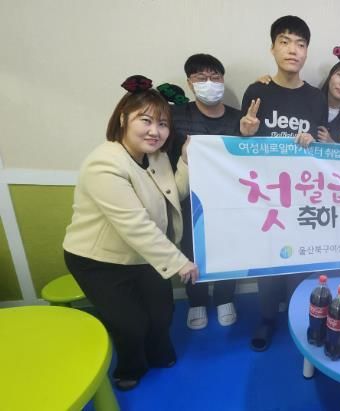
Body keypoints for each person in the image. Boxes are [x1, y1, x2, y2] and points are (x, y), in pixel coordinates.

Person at [63, 75, 199, 391]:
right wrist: (179, 261)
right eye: (145, 121)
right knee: (130, 323)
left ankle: (157, 352)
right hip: (100, 261)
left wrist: (185, 161)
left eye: (163, 124)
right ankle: (130, 366)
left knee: (162, 313)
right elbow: (134, 224)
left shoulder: (157, 157)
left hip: (145, 255)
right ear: (124, 118)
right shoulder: (104, 163)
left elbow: (174, 192)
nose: (155, 131)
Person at [239, 15, 327, 352]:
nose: (293, 50)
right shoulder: (257, 90)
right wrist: (245, 133)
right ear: (272, 48)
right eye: (285, 42)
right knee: (268, 260)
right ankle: (266, 317)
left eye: (300, 44)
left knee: (299, 260)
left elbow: (321, 150)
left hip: (302, 194)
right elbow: (243, 147)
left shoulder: (316, 98)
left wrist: (313, 142)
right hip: (266, 193)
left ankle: (295, 315)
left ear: (306, 52)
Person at [167, 53, 242, 330]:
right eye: (201, 78)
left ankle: (225, 298)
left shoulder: (238, 119)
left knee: (229, 248)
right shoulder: (175, 116)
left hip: (229, 198)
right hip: (189, 197)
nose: (209, 83)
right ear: (189, 83)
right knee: (191, 249)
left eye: (215, 77)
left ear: (223, 81)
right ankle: (196, 301)